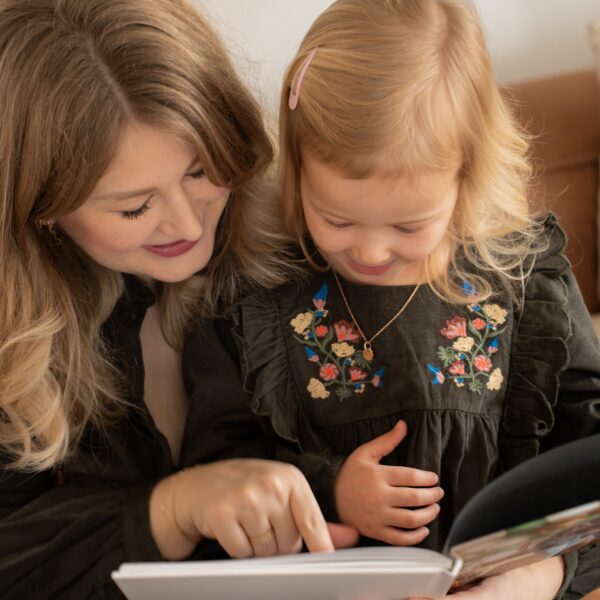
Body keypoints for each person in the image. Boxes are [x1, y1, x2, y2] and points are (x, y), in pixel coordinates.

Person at [183, 0, 600, 598]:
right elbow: (215, 472)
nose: (372, 252)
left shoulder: (528, 281)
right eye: (337, 218)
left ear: (468, 175)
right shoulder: (258, 297)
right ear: (298, 170)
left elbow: (588, 456)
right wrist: (329, 489)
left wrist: (540, 576)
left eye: (408, 226)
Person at [0, 1, 359, 598]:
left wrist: (541, 570)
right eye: (134, 206)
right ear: (42, 211)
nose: (188, 223)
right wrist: (170, 510)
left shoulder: (324, 240)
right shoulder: (15, 341)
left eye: (201, 171)